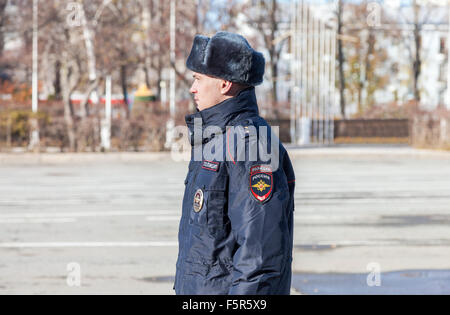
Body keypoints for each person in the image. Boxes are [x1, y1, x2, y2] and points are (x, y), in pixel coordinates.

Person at [174, 31, 295, 295]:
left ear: (225, 84)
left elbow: (260, 256)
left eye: (198, 79)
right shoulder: (215, 139)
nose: (193, 88)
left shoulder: (251, 145)